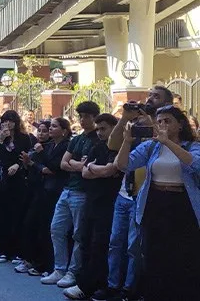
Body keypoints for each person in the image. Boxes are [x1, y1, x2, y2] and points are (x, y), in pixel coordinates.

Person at [116, 106, 200, 301]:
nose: (162, 125)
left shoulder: (191, 145)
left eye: (168, 121)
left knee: (183, 255)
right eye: (159, 121)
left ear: (180, 125)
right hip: (155, 201)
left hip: (182, 204)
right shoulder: (152, 146)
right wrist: (127, 141)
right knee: (154, 255)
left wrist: (169, 143)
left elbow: (195, 164)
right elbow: (123, 165)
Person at [101, 85, 173, 301]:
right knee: (115, 242)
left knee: (135, 247)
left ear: (167, 102)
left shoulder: (166, 126)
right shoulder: (134, 122)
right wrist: (125, 118)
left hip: (146, 194)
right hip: (125, 192)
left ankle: (129, 290)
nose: (150, 99)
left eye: (156, 96)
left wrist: (152, 122)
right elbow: (113, 145)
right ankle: (113, 285)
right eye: (149, 95)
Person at [42, 101, 100, 288]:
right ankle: (59, 268)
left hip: (83, 192)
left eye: (87, 116)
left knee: (78, 234)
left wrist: (78, 165)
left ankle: (73, 272)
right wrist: (79, 164)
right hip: (67, 190)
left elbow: (87, 167)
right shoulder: (77, 139)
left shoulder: (98, 140)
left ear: (94, 117)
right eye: (80, 116)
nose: (83, 120)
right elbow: (63, 164)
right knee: (56, 229)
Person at [63, 113, 120, 300]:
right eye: (98, 129)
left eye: (104, 128)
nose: (100, 133)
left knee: (101, 244)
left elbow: (112, 169)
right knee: (86, 240)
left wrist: (95, 169)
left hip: (110, 202)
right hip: (92, 199)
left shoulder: (119, 148)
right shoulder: (97, 147)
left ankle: (97, 286)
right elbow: (86, 173)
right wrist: (98, 171)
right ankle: (84, 282)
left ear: (115, 127)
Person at [19, 117, 72, 276]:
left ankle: (48, 265)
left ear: (64, 131)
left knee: (50, 229)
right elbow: (44, 168)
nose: (50, 129)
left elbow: (54, 167)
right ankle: (35, 260)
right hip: (44, 189)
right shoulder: (50, 146)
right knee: (35, 225)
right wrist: (35, 165)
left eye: (54, 126)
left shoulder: (65, 146)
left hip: (56, 191)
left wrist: (37, 162)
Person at [0, 110, 32, 264]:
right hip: (1, 178)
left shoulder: (24, 138)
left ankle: (17, 251)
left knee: (16, 216)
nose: (8, 123)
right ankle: (4, 249)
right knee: (2, 216)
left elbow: (27, 155)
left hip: (17, 179)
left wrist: (18, 165)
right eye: (6, 120)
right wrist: (0, 139)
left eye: (11, 120)